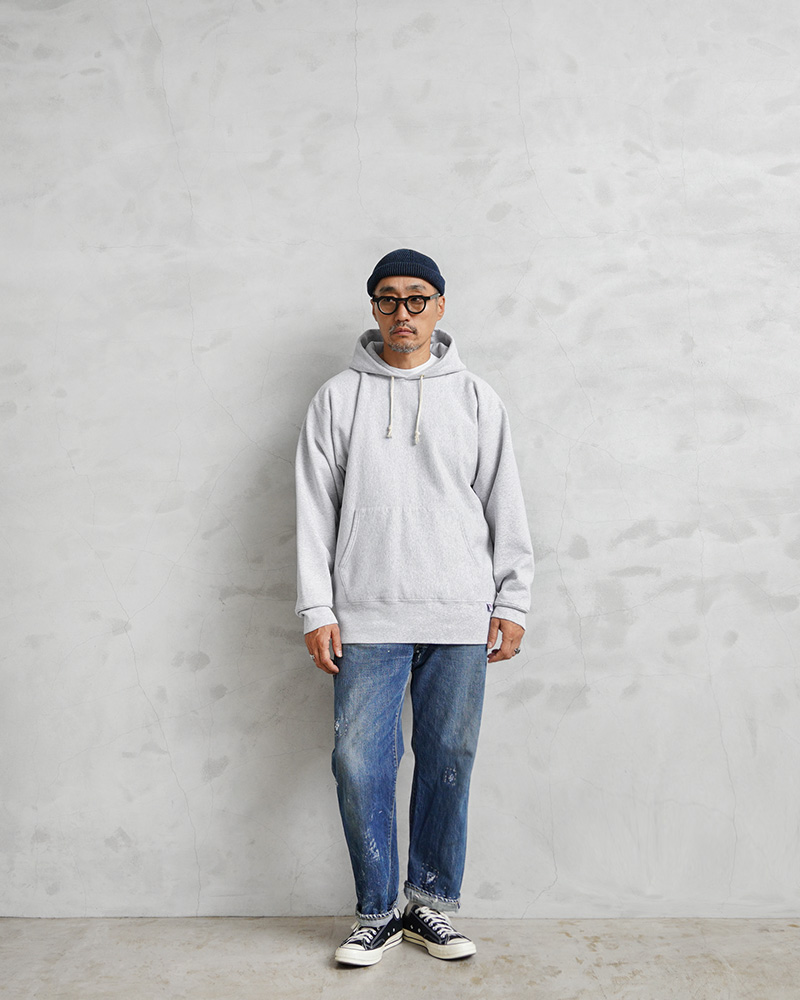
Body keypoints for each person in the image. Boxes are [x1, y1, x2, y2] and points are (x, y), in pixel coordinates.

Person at [295, 249, 534, 966]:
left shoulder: (476, 398)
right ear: (373, 307)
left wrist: (514, 599)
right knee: (358, 762)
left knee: (448, 759)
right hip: (365, 613)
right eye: (390, 299)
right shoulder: (338, 398)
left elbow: (504, 501)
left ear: (440, 306)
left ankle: (429, 903)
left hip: (460, 611)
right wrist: (316, 608)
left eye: (418, 298)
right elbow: (313, 509)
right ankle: (377, 911)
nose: (404, 312)